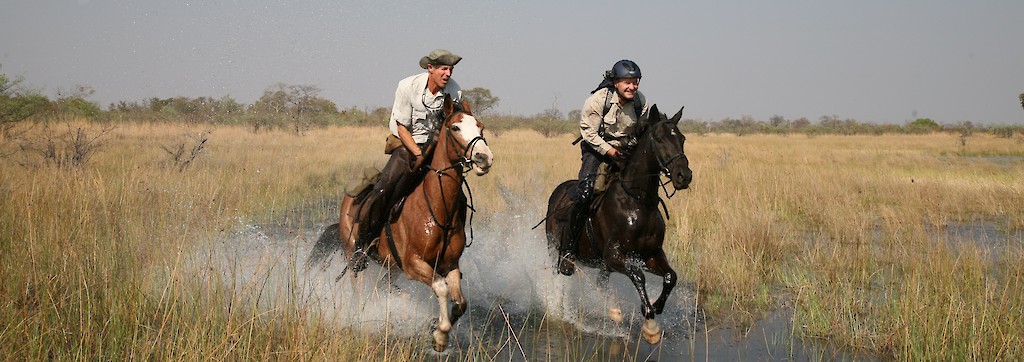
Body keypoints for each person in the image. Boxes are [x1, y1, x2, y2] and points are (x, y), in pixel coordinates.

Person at [352, 49, 464, 257]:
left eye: (451, 69)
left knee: (460, 197)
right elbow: (401, 127)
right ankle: (363, 244)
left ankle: (454, 245)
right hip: (407, 144)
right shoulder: (408, 86)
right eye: (443, 69)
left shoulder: (454, 91)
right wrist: (416, 153)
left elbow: (457, 121)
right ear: (430, 68)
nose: (448, 74)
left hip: (436, 149)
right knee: (385, 188)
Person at [559, 59, 649, 276]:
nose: (632, 87)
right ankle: (568, 250)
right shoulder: (598, 100)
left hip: (625, 152)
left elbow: (641, 131)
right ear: (615, 82)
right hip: (597, 149)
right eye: (627, 82)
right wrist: (610, 152)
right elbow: (588, 134)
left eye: (635, 82)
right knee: (586, 193)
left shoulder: (640, 102)